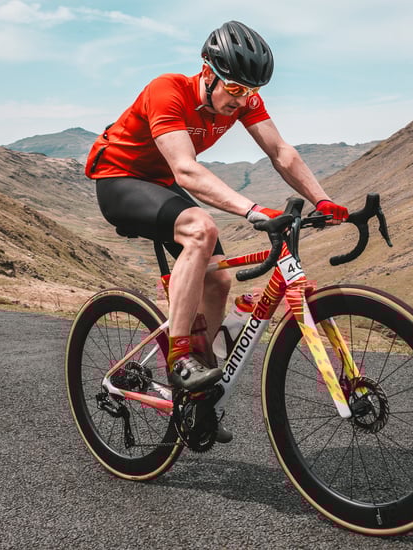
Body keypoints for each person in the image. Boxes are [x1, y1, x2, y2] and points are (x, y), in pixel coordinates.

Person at [85, 21, 348, 415]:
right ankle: (179, 362)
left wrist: (323, 200)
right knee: (200, 229)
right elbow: (186, 170)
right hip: (119, 179)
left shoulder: (244, 100)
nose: (242, 100)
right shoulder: (167, 91)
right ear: (208, 71)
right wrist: (253, 210)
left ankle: (199, 399)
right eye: (236, 89)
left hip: (160, 182)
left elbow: (281, 152)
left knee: (218, 278)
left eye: (252, 92)